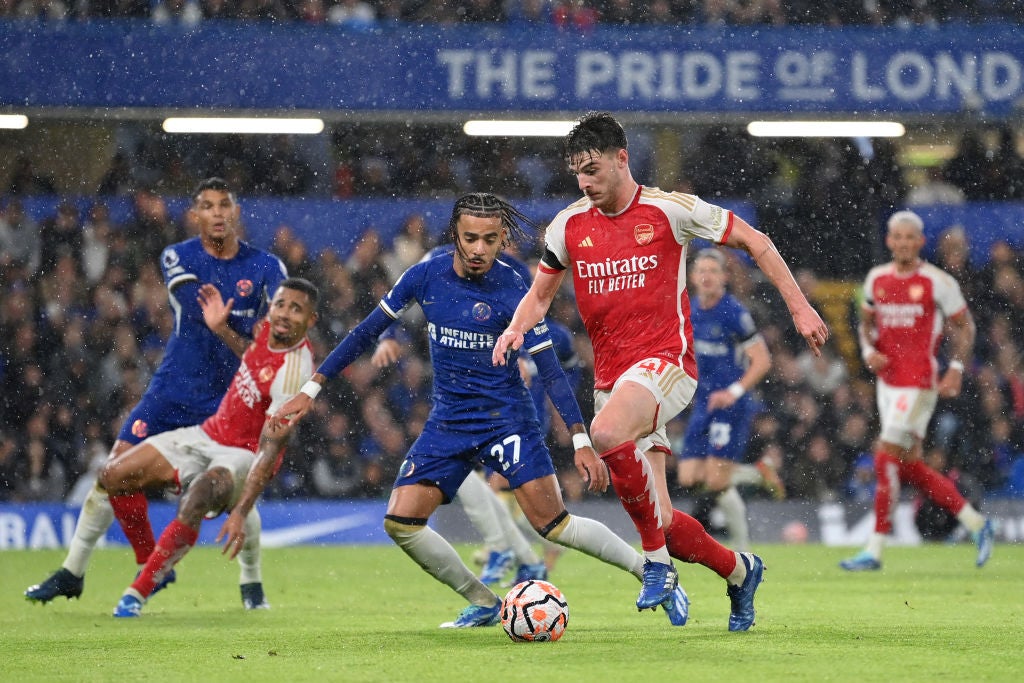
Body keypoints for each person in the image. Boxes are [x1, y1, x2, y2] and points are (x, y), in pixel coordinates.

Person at [224, 193, 689, 629]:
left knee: (554, 525)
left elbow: (549, 366)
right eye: (471, 238)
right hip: (449, 420)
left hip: (506, 417)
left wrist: (582, 439)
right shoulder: (424, 276)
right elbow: (365, 333)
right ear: (454, 234)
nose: (480, 248)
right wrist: (311, 387)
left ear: (502, 239)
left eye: (490, 239)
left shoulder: (514, 286)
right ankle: (485, 603)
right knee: (400, 523)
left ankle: (650, 569)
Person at [492, 112, 829, 631]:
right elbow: (539, 296)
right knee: (664, 521)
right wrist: (516, 328)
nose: (585, 182)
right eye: (577, 173)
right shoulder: (567, 226)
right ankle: (740, 571)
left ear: (622, 158)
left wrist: (800, 307)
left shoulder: (670, 210)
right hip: (613, 381)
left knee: (606, 435)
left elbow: (757, 241)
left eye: (594, 170)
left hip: (666, 364)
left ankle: (656, 565)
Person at [25, 178, 288, 607]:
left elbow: (278, 330)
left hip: (231, 397)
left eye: (225, 205)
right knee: (113, 472)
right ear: (195, 215)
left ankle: (251, 582)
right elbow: (206, 315)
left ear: (236, 212)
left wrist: (260, 331)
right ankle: (92, 569)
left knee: (235, 492)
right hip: (174, 388)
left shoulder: (268, 267)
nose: (218, 213)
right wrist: (249, 329)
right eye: (208, 206)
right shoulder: (177, 256)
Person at [103, 278, 317, 617]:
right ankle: (153, 563)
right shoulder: (266, 328)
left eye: (296, 309)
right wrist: (220, 328)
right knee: (113, 476)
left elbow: (272, 447)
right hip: (208, 433)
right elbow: (252, 356)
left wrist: (241, 510)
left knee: (199, 495)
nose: (285, 314)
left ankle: (138, 590)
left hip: (247, 453)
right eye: (281, 304)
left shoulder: (294, 374)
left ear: (311, 320)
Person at [840, 210, 994, 571]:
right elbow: (865, 324)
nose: (904, 243)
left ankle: (873, 550)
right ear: (890, 241)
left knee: (883, 455)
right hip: (888, 384)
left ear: (920, 242)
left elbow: (966, 327)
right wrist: (868, 351)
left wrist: (956, 369)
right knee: (908, 467)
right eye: (898, 237)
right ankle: (978, 523)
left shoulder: (937, 282)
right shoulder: (876, 278)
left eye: (911, 237)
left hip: (920, 382)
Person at [676, 248, 783, 553]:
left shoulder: (734, 312)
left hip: (731, 405)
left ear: (724, 277)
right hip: (703, 402)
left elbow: (761, 361)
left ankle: (743, 550)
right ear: (693, 277)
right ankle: (757, 474)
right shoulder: (688, 309)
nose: (706, 276)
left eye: (713, 270)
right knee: (689, 476)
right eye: (701, 271)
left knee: (715, 479)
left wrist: (733, 392)